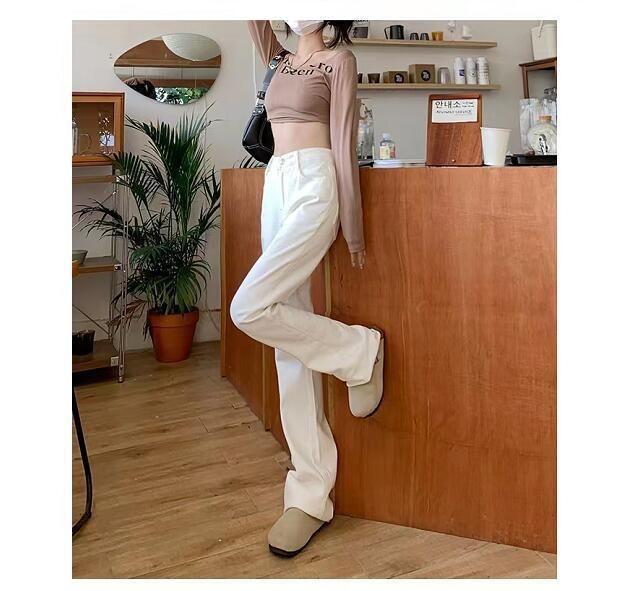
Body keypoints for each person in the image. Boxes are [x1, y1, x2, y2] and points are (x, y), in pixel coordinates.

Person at [230, 20, 386, 558]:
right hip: (275, 183)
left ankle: (358, 351)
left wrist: (354, 228)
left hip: (317, 183)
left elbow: (342, 141)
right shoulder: (277, 57)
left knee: (248, 307)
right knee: (286, 346)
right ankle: (310, 494)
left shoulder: (340, 60)